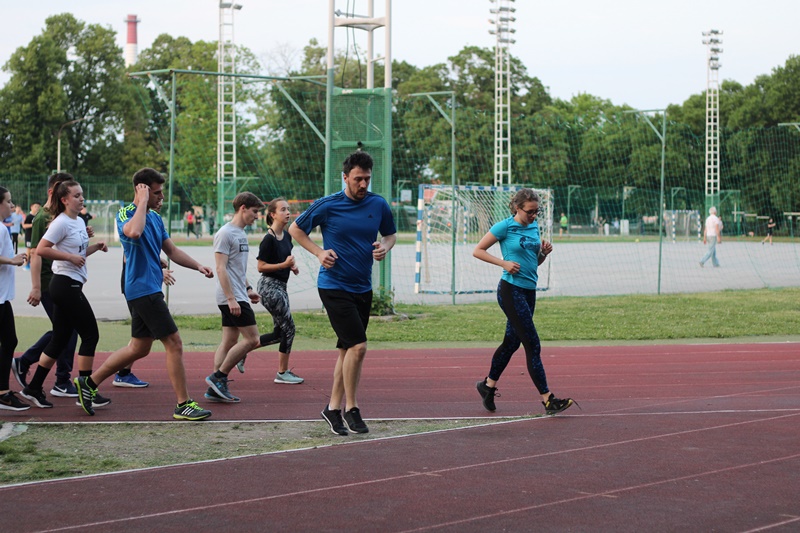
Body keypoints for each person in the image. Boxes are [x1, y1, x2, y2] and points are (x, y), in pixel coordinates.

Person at [75, 168, 213, 421]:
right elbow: (134, 232)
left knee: (139, 347)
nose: (162, 198)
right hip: (142, 289)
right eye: (156, 193)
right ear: (142, 190)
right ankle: (183, 404)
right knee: (174, 343)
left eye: (161, 192)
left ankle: (89, 383)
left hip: (150, 288)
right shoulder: (127, 213)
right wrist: (141, 202)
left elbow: (171, 251)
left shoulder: (155, 218)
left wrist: (198, 266)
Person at [289, 150, 396, 436]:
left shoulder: (378, 204)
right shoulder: (328, 204)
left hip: (363, 287)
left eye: (367, 179)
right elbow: (295, 229)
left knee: (347, 350)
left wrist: (385, 246)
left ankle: (332, 409)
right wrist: (318, 252)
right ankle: (352, 408)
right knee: (359, 347)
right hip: (334, 286)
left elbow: (390, 234)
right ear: (345, 177)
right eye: (358, 179)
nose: (363, 184)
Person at [473, 188, 574, 416]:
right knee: (532, 344)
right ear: (517, 208)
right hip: (510, 290)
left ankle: (487, 385)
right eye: (530, 211)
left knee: (511, 343)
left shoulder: (533, 226)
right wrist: (503, 263)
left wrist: (543, 254)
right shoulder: (504, 227)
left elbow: (532, 262)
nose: (534, 215)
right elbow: (477, 251)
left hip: (529, 292)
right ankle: (548, 400)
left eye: (537, 211)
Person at [20, 179, 109, 409]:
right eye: (77, 195)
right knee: (90, 335)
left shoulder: (78, 221)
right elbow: (41, 249)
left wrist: (95, 247)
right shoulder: (60, 222)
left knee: (59, 339)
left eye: (82, 195)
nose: (82, 199)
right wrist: (69, 257)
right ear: (64, 199)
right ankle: (86, 390)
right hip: (64, 285)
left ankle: (33, 387)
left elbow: (78, 254)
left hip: (70, 284)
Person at [12, 174, 82, 399]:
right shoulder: (42, 217)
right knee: (67, 330)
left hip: (63, 281)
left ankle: (27, 363)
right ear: (53, 192)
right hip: (50, 283)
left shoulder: (61, 216)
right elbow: (36, 254)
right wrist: (36, 287)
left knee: (64, 329)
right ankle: (59, 378)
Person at [203, 192, 265, 403]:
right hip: (231, 296)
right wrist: (231, 298)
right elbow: (221, 268)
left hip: (239, 293)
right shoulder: (225, 233)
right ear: (243, 208)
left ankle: (215, 388)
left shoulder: (240, 233)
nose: (256, 216)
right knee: (253, 339)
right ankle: (218, 377)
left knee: (229, 340)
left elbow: (236, 268)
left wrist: (248, 288)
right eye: (254, 211)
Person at [236, 197, 303, 384]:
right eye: (283, 209)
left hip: (282, 287)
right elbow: (261, 266)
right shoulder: (268, 239)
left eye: (288, 209)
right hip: (269, 287)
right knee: (289, 329)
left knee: (279, 334)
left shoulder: (287, 236)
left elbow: (285, 259)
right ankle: (282, 372)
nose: (287, 213)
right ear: (272, 214)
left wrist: (292, 266)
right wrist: (284, 265)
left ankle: (241, 351)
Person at [0, 186, 31, 411]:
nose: (12, 205)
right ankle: (3, 392)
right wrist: (12, 260)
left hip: (3, 297)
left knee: (10, 341)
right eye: (8, 201)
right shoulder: (1, 229)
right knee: (9, 340)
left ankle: (3, 391)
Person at [22, 202, 40, 270]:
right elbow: (24, 225)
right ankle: (26, 264)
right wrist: (33, 225)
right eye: (35, 207)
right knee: (29, 251)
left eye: (38, 207)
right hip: (29, 236)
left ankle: (31, 263)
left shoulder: (38, 216)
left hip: (35, 236)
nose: (37, 208)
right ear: (31, 207)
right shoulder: (29, 216)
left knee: (34, 250)